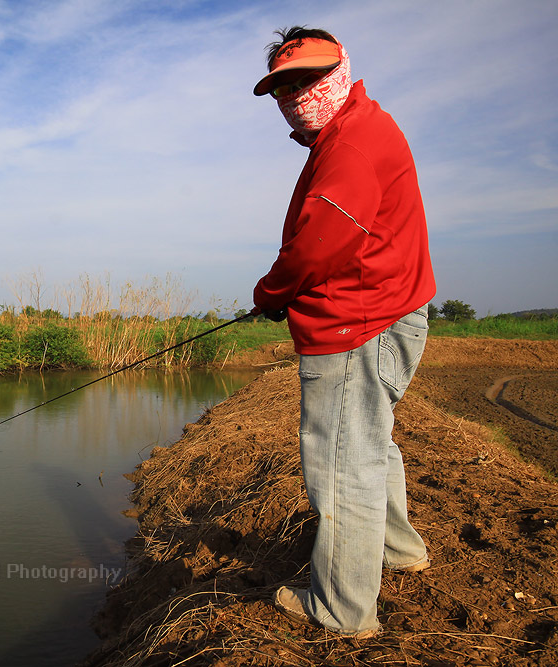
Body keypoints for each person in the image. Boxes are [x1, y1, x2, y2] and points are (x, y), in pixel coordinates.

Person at [249, 26, 437, 639]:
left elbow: (321, 243)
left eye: (306, 79)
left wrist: (270, 293)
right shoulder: (356, 129)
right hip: (381, 315)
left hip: (358, 325)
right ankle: (398, 550)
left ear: (339, 70)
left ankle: (342, 607)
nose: (295, 96)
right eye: (283, 87)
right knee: (370, 445)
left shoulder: (350, 143)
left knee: (340, 462)